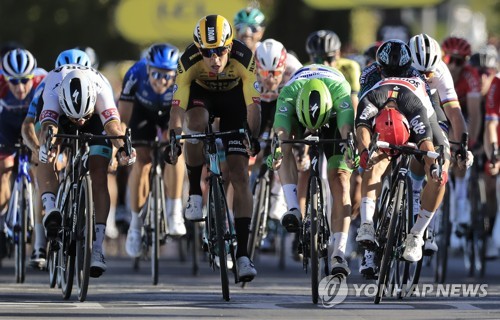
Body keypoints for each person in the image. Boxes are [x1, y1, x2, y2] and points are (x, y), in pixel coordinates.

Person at [165, 15, 260, 282]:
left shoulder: (244, 57)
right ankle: (195, 191)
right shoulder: (188, 62)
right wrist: (174, 138)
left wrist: (252, 136)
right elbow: (177, 108)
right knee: (194, 123)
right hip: (200, 97)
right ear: (198, 50)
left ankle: (242, 254)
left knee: (240, 174)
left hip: (233, 102)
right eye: (207, 52)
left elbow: (253, 106)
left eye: (220, 50)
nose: (214, 58)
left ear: (230, 46)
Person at [355, 40, 450, 266]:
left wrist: (435, 165)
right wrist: (365, 152)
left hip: (423, 111)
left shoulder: (415, 96)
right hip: (383, 116)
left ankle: (418, 234)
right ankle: (367, 225)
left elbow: (426, 141)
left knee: (439, 170)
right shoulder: (371, 85)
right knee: (372, 161)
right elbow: (362, 127)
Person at [37, 65, 136, 278]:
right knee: (45, 153)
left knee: (99, 173)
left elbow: (113, 128)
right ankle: (51, 208)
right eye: (77, 119)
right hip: (61, 118)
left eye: (83, 117)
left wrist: (124, 148)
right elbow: (48, 127)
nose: (80, 122)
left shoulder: (101, 89)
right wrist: (48, 144)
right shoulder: (53, 89)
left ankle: (97, 247)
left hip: (96, 121)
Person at [267, 64, 356, 276]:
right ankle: (293, 208)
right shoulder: (288, 95)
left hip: (333, 115)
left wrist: (350, 150)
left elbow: (346, 130)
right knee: (285, 146)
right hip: (299, 110)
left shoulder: (340, 92)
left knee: (341, 179)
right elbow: (280, 131)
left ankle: (339, 253)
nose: (314, 131)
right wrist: (278, 150)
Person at [21, 48, 91, 269]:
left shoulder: (95, 86)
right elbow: (30, 125)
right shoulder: (46, 86)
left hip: (84, 118)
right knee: (41, 158)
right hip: (54, 119)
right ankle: (40, 242)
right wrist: (39, 148)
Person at [120, 43, 187, 258]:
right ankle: (135, 225)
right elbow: (123, 120)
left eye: (168, 76)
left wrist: (174, 138)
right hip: (142, 115)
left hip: (170, 113)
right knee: (142, 161)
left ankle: (174, 210)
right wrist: (122, 146)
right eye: (157, 74)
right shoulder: (134, 75)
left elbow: (181, 116)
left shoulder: (182, 78)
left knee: (175, 152)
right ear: (148, 68)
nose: (163, 81)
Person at [407, 33, 470, 255]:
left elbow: (453, 111)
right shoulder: (401, 66)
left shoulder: (442, 71)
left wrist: (462, 144)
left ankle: (427, 225)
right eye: (421, 72)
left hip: (431, 109)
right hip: (403, 104)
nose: (426, 75)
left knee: (441, 160)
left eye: (429, 72)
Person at [253, 38, 302, 251]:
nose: (270, 79)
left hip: (286, 102)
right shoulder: (249, 68)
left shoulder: (294, 69)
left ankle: (278, 191)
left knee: (284, 141)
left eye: (275, 73)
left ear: (283, 67)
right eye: (265, 74)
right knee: (252, 135)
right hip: (261, 102)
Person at [0, 48, 46, 264]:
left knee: (41, 168)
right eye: (14, 81)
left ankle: (41, 238)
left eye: (25, 81)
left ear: (33, 76)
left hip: (33, 125)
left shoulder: (43, 81)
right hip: (6, 126)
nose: (20, 88)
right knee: (4, 169)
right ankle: (2, 223)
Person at [441, 36, 482, 236]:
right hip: (441, 112)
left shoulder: (470, 76)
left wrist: (468, 144)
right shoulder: (437, 72)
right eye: (451, 60)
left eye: (460, 61)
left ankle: (461, 200)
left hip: (462, 113)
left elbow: (475, 113)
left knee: (460, 148)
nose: (455, 66)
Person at [472, 44, 500, 258]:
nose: (483, 78)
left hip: (491, 140)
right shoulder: (472, 92)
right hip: (481, 141)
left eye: (487, 73)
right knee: (488, 184)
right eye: (478, 73)